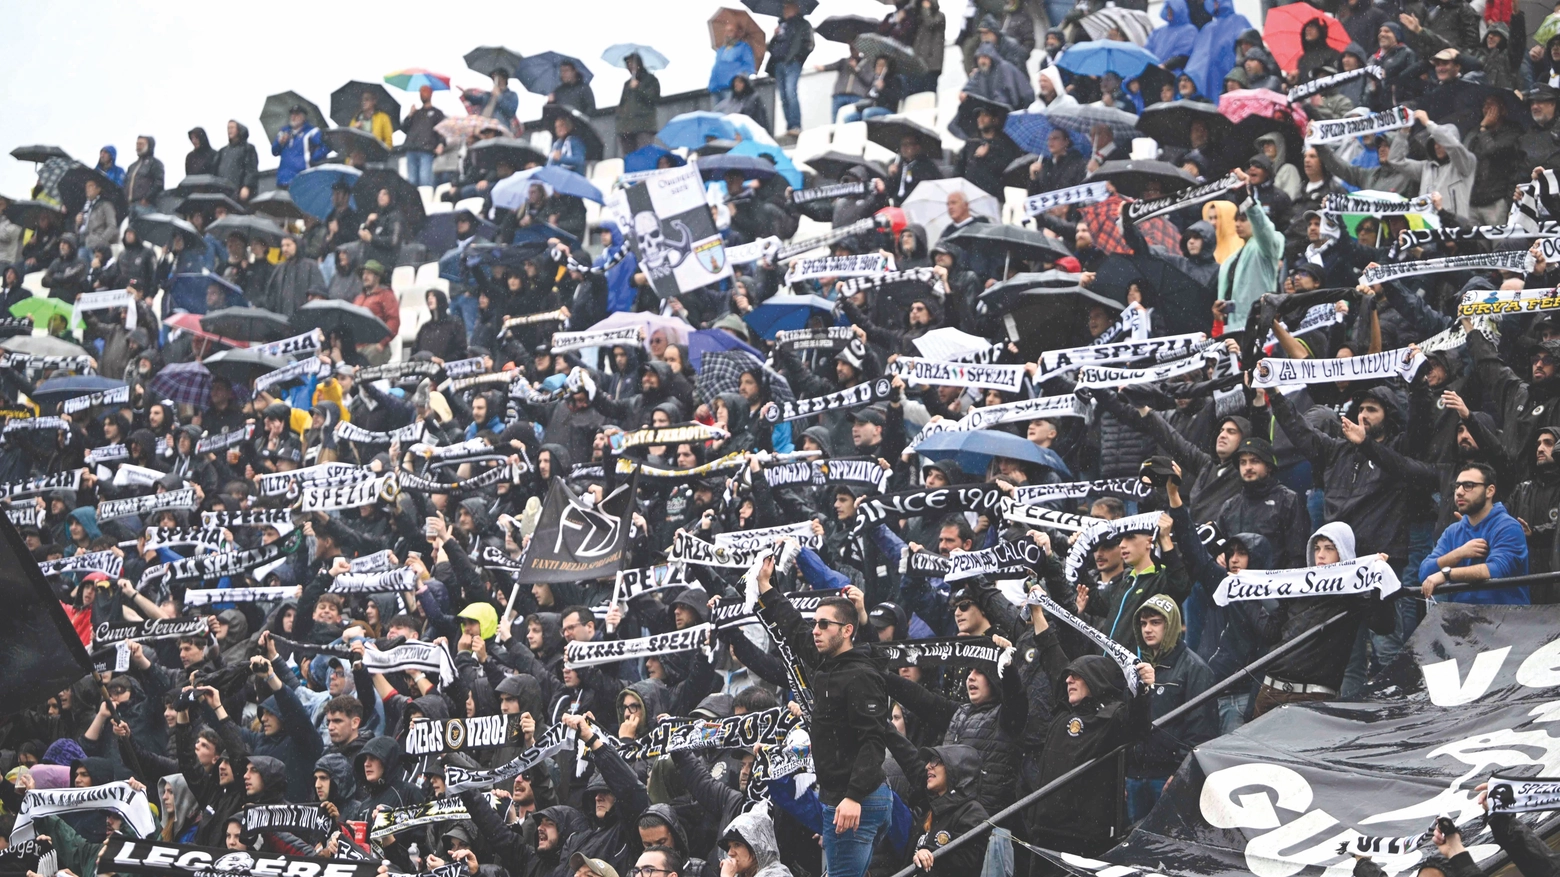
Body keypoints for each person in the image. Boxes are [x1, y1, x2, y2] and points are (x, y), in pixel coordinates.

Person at [755, 551, 890, 877]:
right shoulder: (827, 664)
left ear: (846, 631)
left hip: (855, 800)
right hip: (847, 797)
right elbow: (794, 629)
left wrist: (853, 797)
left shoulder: (860, 675)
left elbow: (874, 740)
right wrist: (766, 588)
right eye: (815, 622)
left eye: (824, 624)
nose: (815, 630)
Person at [1419, 462, 1531, 604]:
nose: (1459, 492)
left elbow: (1496, 570)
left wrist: (1446, 574)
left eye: (1468, 485)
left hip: (1505, 620)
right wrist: (1458, 553)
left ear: (1490, 491)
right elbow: (1424, 572)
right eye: (1457, 486)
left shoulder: (1508, 527)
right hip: (1462, 620)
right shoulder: (1452, 531)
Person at [766, 1, 815, 139]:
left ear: (796, 7)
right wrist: (774, 36)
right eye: (784, 7)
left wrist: (797, 58)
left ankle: (795, 126)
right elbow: (770, 48)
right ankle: (790, 127)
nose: (784, 9)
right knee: (783, 96)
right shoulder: (780, 25)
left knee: (790, 92)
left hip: (792, 64)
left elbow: (809, 44)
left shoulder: (803, 24)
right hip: (778, 65)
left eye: (787, 6)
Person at [615, 53, 661, 156]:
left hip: (644, 126)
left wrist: (638, 88)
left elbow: (653, 99)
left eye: (632, 63)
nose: (630, 66)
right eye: (628, 64)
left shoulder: (651, 80)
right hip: (626, 128)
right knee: (629, 159)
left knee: (644, 156)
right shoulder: (627, 84)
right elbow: (622, 104)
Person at [402, 86, 447, 188]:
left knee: (425, 180)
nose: (422, 94)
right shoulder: (416, 113)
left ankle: (426, 202)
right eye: (421, 92)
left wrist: (441, 143)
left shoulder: (437, 113)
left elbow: (442, 130)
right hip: (411, 148)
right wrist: (410, 114)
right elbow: (404, 128)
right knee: (412, 181)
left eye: (425, 92)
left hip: (426, 150)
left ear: (430, 93)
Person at [272, 106, 327, 187]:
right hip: (283, 179)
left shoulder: (312, 132)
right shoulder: (284, 131)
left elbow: (326, 146)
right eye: (292, 114)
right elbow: (274, 152)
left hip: (302, 179)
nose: (293, 117)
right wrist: (279, 143)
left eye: (297, 114)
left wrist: (311, 158)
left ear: (303, 117)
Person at [214, 120, 260, 201]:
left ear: (239, 130)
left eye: (232, 127)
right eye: (228, 128)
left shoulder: (248, 148)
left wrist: (247, 186)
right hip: (224, 191)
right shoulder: (223, 151)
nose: (229, 130)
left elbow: (251, 169)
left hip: (239, 191)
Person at [710, 20, 757, 95]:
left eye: (731, 31)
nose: (727, 33)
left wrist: (739, 79)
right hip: (716, 87)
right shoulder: (721, 49)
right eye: (726, 31)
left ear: (738, 32)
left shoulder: (743, 47)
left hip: (731, 88)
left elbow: (749, 66)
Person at [124, 135, 164, 217]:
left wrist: (147, 199)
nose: (138, 146)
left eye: (141, 144)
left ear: (149, 146)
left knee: (144, 229)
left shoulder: (155, 163)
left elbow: (159, 183)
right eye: (137, 144)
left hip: (145, 207)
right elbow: (125, 184)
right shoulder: (132, 166)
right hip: (129, 207)